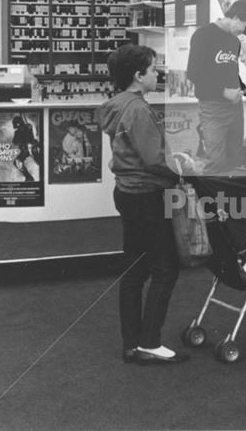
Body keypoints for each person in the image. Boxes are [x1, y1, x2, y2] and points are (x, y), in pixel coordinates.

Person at [97, 44, 188, 366]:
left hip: (127, 192)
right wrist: (185, 169)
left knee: (135, 270)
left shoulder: (118, 105)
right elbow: (154, 160)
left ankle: (132, 342)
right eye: (153, 70)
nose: (157, 74)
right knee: (165, 268)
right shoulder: (138, 109)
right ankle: (149, 342)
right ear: (138, 76)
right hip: (147, 195)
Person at [186, 0, 246, 174]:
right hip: (212, 107)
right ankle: (209, 200)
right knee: (215, 162)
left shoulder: (235, 42)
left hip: (234, 109)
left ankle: (228, 199)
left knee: (234, 159)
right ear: (235, 17)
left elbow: (231, 72)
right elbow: (194, 73)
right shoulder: (203, 35)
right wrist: (222, 91)